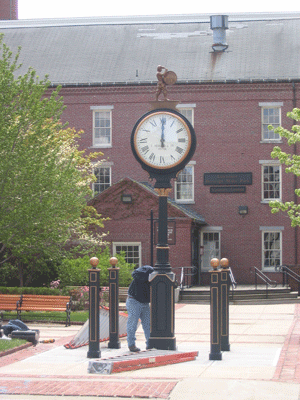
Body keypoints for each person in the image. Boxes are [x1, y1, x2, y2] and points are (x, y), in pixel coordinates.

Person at [126, 265, 154, 352]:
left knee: (148, 324)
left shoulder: (152, 276)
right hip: (134, 301)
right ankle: (131, 345)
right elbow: (136, 274)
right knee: (133, 324)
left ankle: (150, 344)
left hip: (144, 302)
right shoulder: (149, 271)